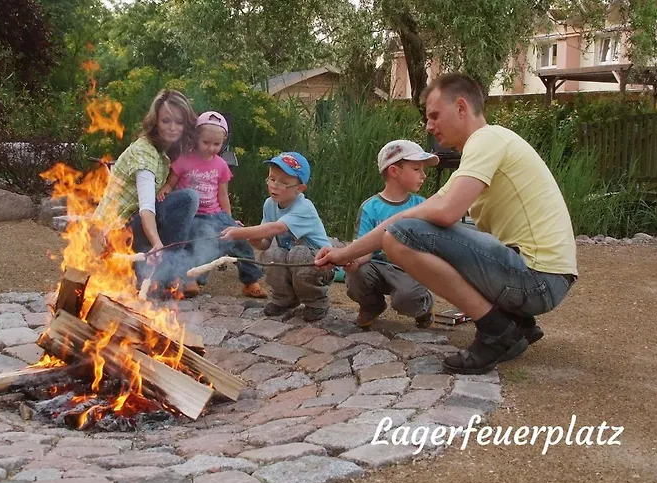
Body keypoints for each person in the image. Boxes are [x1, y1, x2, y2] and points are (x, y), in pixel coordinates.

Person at [316, 72, 578, 375]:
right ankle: (516, 324)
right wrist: (344, 254)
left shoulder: (487, 140)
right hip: (544, 278)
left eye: (435, 116)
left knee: (400, 237)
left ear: (461, 108)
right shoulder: (485, 151)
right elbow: (407, 217)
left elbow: (443, 213)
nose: (429, 126)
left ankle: (497, 330)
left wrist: (391, 235)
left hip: (538, 280)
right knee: (401, 232)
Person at [92, 89, 200, 296]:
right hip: (114, 235)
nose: (173, 128)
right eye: (166, 121)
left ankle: (157, 276)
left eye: (179, 122)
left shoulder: (164, 152)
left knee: (192, 212)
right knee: (187, 199)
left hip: (128, 228)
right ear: (155, 121)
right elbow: (147, 207)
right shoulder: (144, 153)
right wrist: (157, 243)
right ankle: (163, 276)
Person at [157, 111, 267, 299]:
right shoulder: (184, 160)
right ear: (195, 138)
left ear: (224, 141)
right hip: (192, 214)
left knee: (240, 239)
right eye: (206, 142)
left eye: (216, 144)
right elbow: (171, 183)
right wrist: (165, 189)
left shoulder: (221, 165)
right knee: (199, 240)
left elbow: (223, 194)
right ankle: (191, 278)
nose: (211, 148)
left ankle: (250, 281)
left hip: (215, 213)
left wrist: (229, 219)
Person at [221, 152, 334, 322]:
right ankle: (284, 299)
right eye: (272, 179)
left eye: (283, 183)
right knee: (271, 255)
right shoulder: (270, 204)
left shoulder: (304, 208)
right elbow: (265, 242)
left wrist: (239, 233)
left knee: (299, 254)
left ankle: (317, 301)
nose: (274, 185)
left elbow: (276, 227)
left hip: (319, 263)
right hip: (291, 261)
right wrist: (255, 239)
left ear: (299, 189)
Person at [345, 139, 438, 329]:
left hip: (409, 270)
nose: (424, 175)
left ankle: (423, 306)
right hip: (377, 267)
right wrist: (352, 260)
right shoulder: (370, 207)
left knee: (406, 298)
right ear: (394, 171)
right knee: (356, 276)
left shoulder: (421, 206)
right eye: (416, 169)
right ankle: (372, 306)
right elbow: (364, 249)